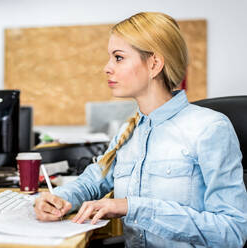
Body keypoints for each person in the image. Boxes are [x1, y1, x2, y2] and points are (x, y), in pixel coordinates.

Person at [34, 12, 247, 247]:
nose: (107, 68)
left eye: (118, 57)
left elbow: (232, 231)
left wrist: (132, 206)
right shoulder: (129, 130)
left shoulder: (210, 129)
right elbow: (93, 181)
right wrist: (59, 199)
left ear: (154, 64)